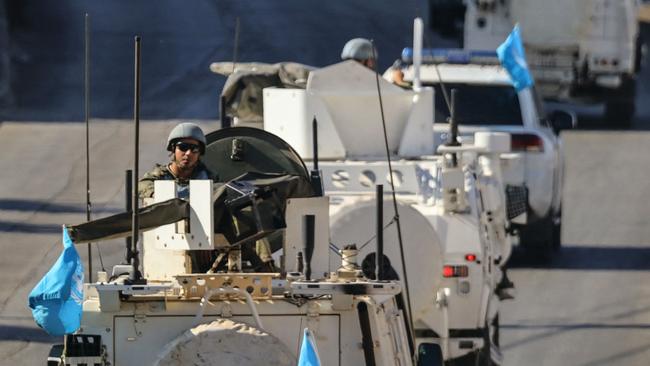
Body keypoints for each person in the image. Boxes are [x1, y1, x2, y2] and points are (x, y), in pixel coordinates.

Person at [138, 122, 217, 199]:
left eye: (194, 148)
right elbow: (141, 185)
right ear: (173, 149)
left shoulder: (208, 178)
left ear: (199, 153)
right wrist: (156, 193)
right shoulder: (160, 176)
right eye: (183, 147)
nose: (188, 153)